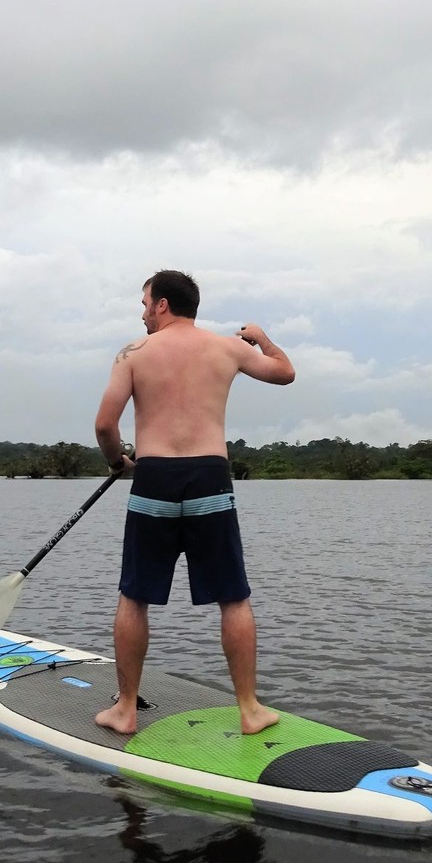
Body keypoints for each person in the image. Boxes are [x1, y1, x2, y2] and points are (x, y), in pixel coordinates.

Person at [93, 269, 295, 737]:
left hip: (155, 480)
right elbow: (285, 373)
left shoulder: (133, 354)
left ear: (162, 304)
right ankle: (249, 710)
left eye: (145, 303)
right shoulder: (227, 348)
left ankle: (125, 710)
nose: (143, 312)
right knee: (233, 597)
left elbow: (106, 425)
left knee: (135, 596)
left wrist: (119, 463)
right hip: (209, 478)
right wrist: (261, 336)